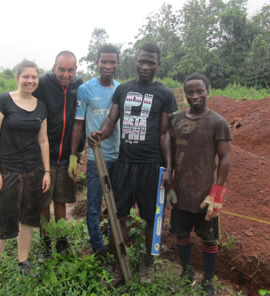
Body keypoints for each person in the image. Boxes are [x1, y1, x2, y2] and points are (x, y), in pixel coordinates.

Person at [88, 42, 178, 285]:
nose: (146, 66)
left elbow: (165, 134)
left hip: (151, 165)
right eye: (142, 61)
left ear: (158, 64)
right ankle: (120, 264)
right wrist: (100, 133)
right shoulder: (124, 90)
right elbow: (111, 119)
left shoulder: (165, 94)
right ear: (135, 61)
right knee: (118, 216)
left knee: (151, 217)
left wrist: (169, 168)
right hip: (125, 163)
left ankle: (148, 263)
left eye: (151, 62)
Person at [0, 60, 50, 287]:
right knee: (3, 220)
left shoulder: (40, 106)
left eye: (34, 77)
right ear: (17, 77)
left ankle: (23, 261)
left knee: (28, 219)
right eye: (26, 77)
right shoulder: (3, 101)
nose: (30, 81)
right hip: (8, 172)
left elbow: (43, 140)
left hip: (33, 171)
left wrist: (47, 171)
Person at [168, 72, 231, 295]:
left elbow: (224, 159)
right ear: (185, 94)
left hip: (206, 195)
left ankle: (209, 280)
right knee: (182, 235)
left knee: (209, 239)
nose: (195, 96)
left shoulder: (218, 123)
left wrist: (217, 193)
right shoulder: (175, 121)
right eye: (190, 92)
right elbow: (170, 155)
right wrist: (171, 187)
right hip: (181, 193)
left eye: (199, 91)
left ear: (208, 92)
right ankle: (187, 271)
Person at [68, 44, 120, 261]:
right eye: (104, 61)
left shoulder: (121, 89)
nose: (107, 66)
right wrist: (74, 155)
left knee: (117, 206)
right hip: (95, 157)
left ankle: (115, 244)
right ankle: (99, 250)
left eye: (112, 62)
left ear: (118, 64)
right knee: (93, 205)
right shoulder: (85, 89)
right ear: (97, 62)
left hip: (118, 156)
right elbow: (78, 124)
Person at [33, 51, 83, 256]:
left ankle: (62, 240)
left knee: (61, 198)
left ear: (76, 70)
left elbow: (81, 120)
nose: (66, 74)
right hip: (44, 154)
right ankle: (45, 242)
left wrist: (76, 155)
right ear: (54, 67)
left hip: (68, 154)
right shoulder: (43, 83)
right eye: (61, 69)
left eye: (70, 70)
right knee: (44, 201)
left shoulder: (79, 85)